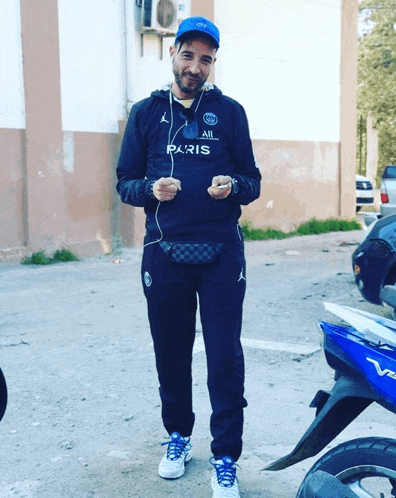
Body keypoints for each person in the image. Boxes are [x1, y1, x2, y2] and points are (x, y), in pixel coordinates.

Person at [116, 16, 261, 498]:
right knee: (171, 353)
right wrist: (149, 190)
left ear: (212, 63)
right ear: (173, 53)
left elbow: (252, 180)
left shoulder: (231, 113)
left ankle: (226, 458)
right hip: (164, 254)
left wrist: (233, 187)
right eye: (188, 55)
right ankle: (177, 437)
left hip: (221, 254)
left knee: (224, 358)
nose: (195, 67)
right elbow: (124, 182)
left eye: (206, 59)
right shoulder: (145, 113)